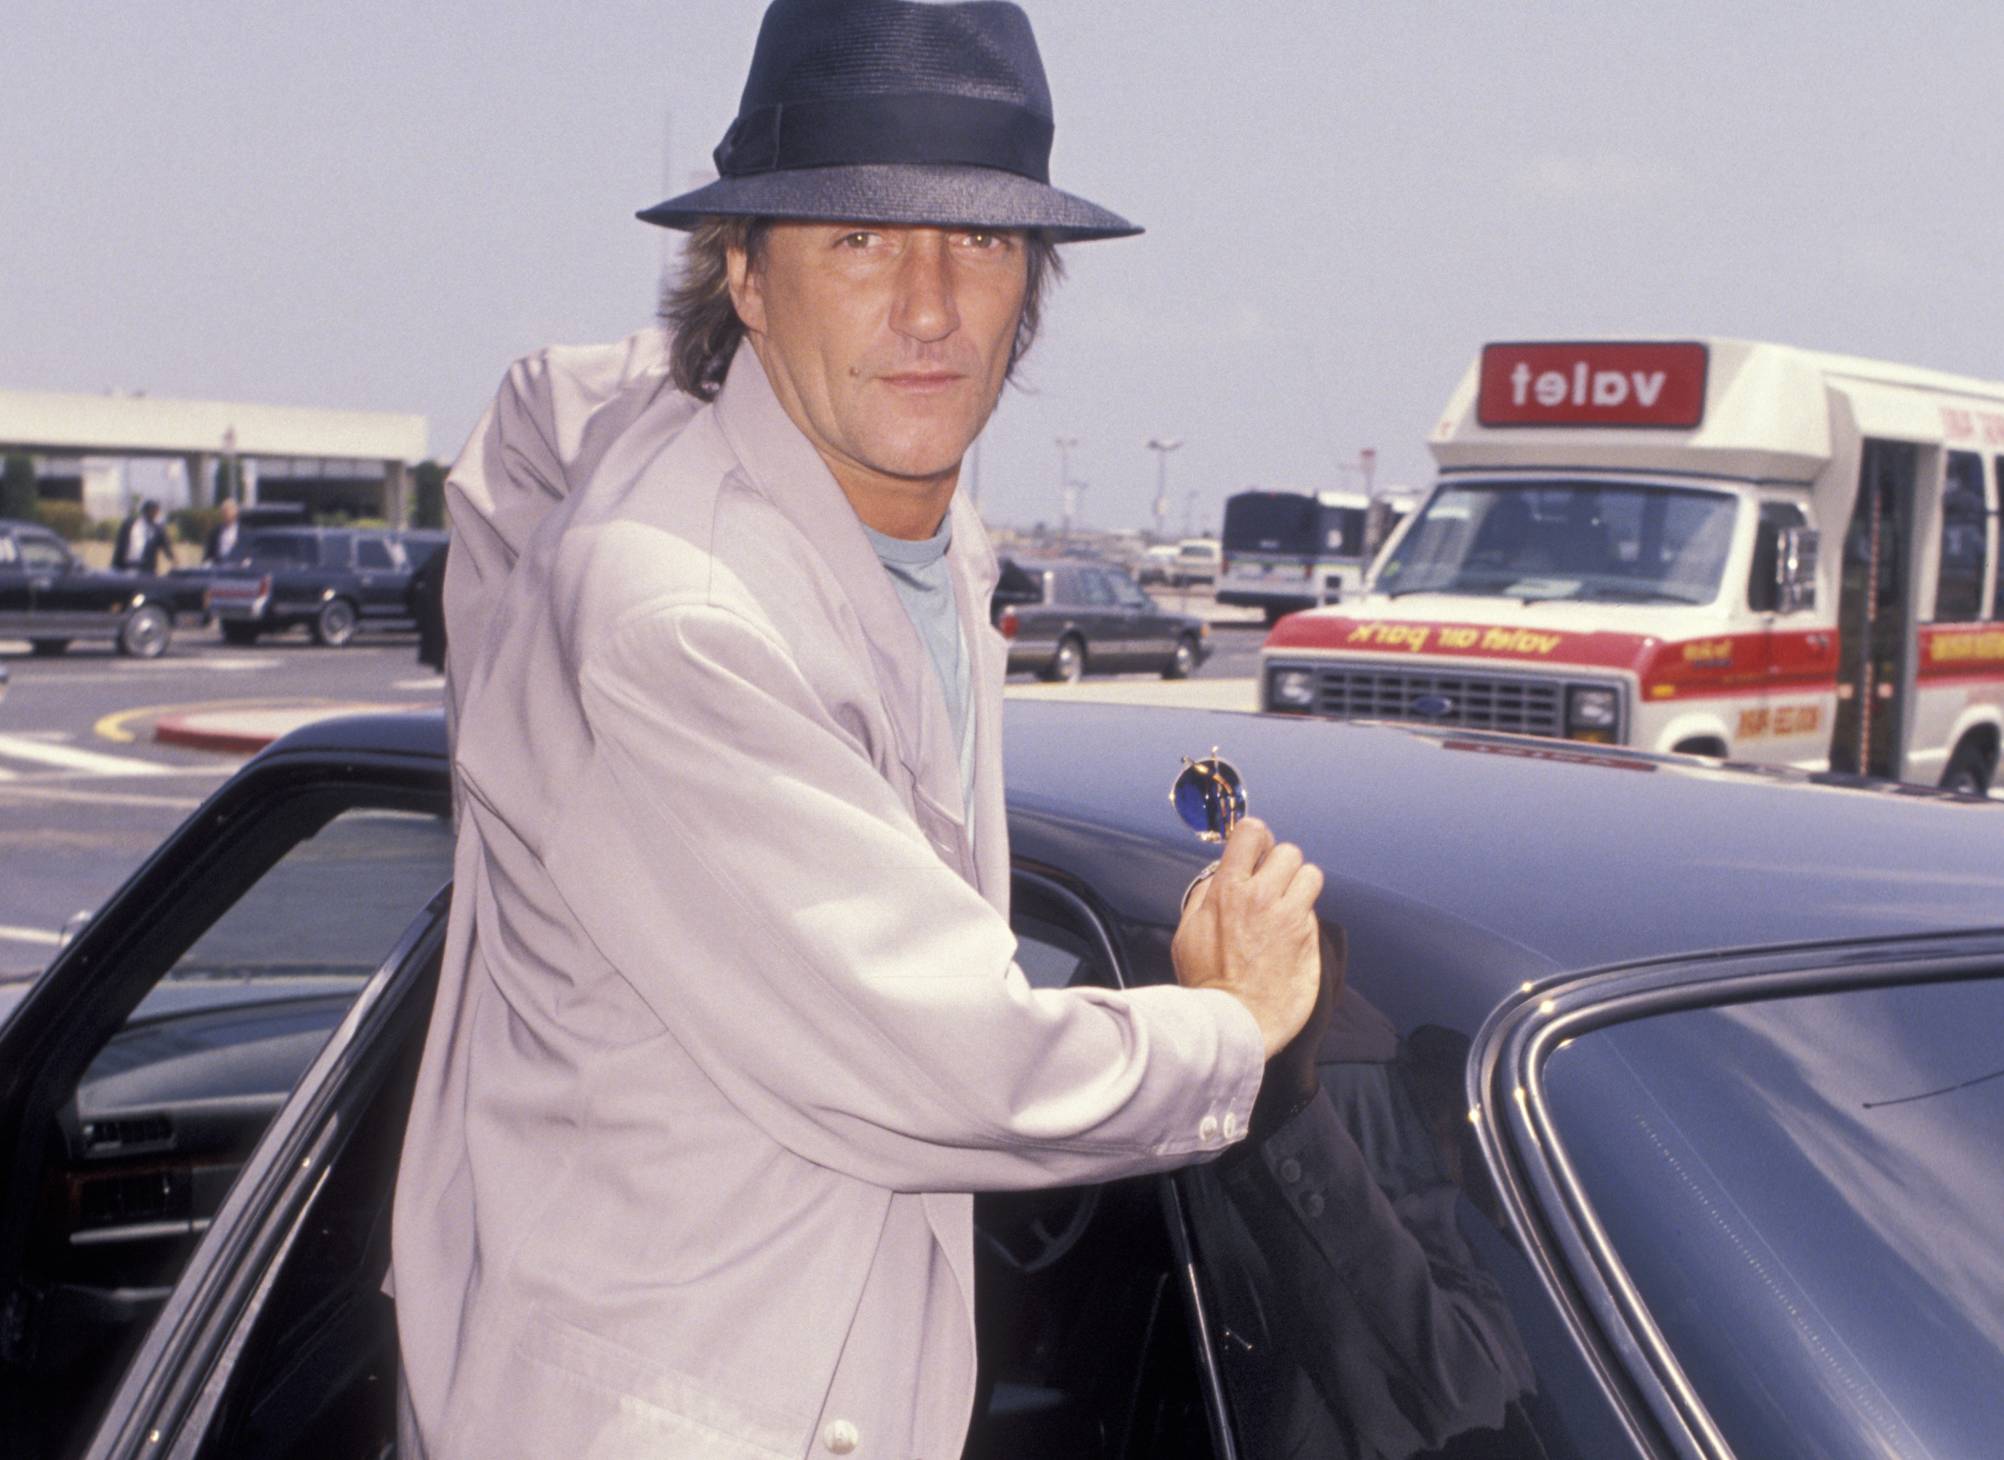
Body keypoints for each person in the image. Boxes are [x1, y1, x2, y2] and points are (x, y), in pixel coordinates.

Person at [390, 4, 1329, 1457]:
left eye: (983, 240)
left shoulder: (912, 524)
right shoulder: (670, 612)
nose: (932, 305)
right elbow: (958, 1061)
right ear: (746, 277)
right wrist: (1233, 1023)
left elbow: (532, 419)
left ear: (1032, 288)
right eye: (860, 239)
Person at [111, 499, 166, 573]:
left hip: (146, 569)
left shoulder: (157, 529)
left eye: (156, 511)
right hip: (126, 565)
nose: (154, 514)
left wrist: (175, 562)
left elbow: (166, 546)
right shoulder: (130, 524)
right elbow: (120, 545)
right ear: (146, 511)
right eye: (152, 511)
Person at [202, 497, 241, 563]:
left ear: (235, 512)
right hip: (218, 566)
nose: (226, 514)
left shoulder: (244, 532)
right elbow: (208, 554)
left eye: (228, 510)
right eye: (223, 511)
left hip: (237, 566)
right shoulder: (215, 532)